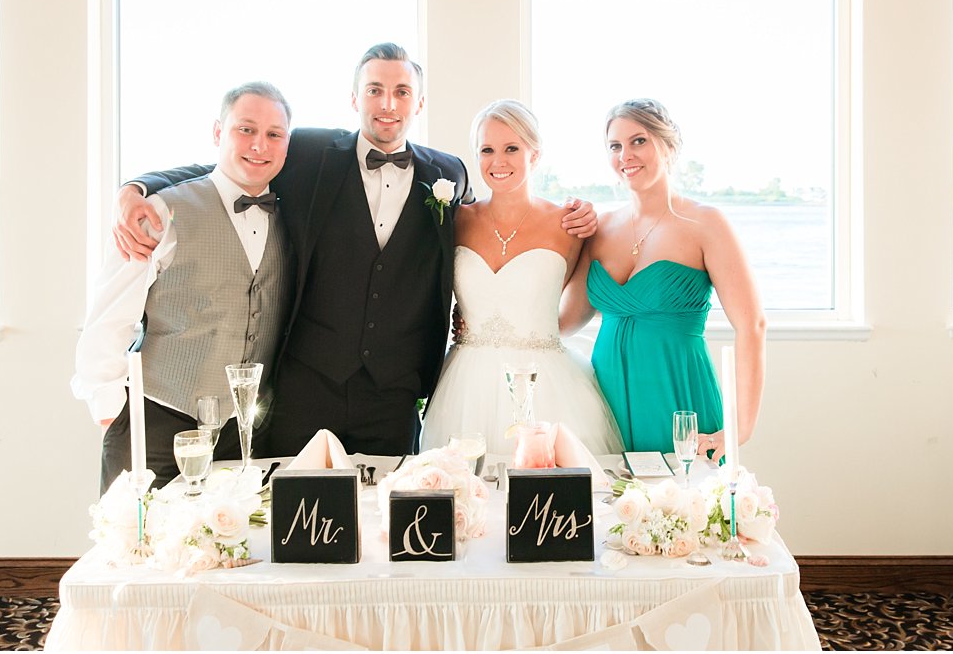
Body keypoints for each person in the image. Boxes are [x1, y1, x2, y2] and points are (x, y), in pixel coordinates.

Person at [117, 45, 598, 456]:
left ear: (419, 103)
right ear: (354, 98)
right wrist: (139, 187)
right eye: (375, 90)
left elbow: (495, 234)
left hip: (394, 394)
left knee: (389, 531)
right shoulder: (306, 152)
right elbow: (231, 164)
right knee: (299, 527)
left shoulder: (449, 173)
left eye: (402, 92)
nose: (388, 104)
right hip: (305, 385)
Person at [73, 82, 295, 490]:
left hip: (242, 433)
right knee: (137, 548)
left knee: (232, 549)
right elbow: (108, 319)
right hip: (157, 421)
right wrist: (115, 417)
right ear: (217, 132)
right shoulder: (159, 211)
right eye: (245, 129)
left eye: (273, 134)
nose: (259, 145)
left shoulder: (293, 219)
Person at [561, 100, 767, 457]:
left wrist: (739, 428)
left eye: (638, 141)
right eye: (615, 146)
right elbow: (564, 322)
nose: (626, 154)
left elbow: (753, 325)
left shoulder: (706, 223)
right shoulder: (600, 229)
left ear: (669, 146)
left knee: (681, 509)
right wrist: (562, 242)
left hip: (679, 398)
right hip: (606, 402)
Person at [419, 101, 621, 456]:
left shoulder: (570, 224)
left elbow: (575, 310)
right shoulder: (456, 220)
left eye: (512, 148)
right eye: (487, 150)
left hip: (546, 385)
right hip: (466, 386)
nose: (498, 161)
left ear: (535, 154)